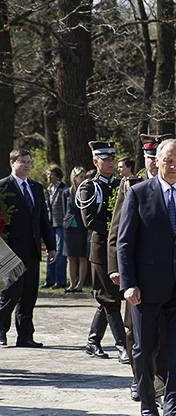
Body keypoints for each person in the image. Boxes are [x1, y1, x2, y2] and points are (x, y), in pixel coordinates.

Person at [117, 138, 176, 416]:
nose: (173, 167)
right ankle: (147, 401)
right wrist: (129, 285)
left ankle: (173, 415)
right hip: (146, 289)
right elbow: (125, 242)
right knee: (144, 350)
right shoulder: (139, 193)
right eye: (168, 161)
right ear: (156, 161)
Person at [108, 133, 172, 403]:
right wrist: (116, 267)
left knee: (165, 334)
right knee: (135, 332)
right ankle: (140, 381)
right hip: (137, 274)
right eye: (149, 157)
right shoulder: (131, 186)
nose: (154, 162)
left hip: (166, 275)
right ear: (147, 158)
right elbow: (117, 231)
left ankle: (159, 384)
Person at [77, 141, 129, 363]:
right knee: (110, 298)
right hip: (101, 249)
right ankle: (122, 347)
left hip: (119, 248)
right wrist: (117, 229)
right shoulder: (90, 187)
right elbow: (89, 221)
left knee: (110, 298)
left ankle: (93, 341)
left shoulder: (121, 184)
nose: (110, 162)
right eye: (105, 159)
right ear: (95, 162)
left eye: (112, 159)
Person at [0, 147, 56, 347]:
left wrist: (51, 246)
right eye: (22, 162)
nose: (26, 166)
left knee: (30, 292)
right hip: (10, 249)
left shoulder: (36, 187)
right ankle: (1, 329)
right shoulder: (3, 187)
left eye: (29, 162)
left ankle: (25, 335)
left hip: (32, 249)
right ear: (12, 163)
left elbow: (43, 220)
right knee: (12, 290)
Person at [62, 166, 88, 293]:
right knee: (70, 257)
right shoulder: (66, 192)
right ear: (74, 178)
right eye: (81, 177)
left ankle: (80, 284)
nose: (83, 179)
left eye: (84, 176)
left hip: (82, 228)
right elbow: (64, 210)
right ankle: (72, 284)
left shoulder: (86, 191)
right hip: (69, 228)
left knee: (82, 257)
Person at [43, 164, 68, 289]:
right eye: (47, 174)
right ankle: (49, 280)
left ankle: (61, 280)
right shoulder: (49, 189)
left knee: (60, 252)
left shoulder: (63, 189)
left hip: (61, 224)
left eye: (51, 174)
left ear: (57, 176)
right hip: (50, 224)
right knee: (49, 251)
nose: (48, 177)